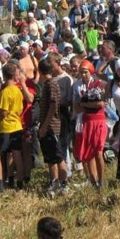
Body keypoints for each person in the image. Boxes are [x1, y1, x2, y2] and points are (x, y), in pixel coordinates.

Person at [73, 60, 107, 188]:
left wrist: (84, 104)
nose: (83, 75)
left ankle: (102, 180)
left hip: (98, 120)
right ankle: (93, 181)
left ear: (91, 71)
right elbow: (76, 107)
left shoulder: (98, 83)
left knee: (98, 151)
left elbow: (100, 104)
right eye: (81, 72)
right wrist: (89, 106)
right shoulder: (77, 85)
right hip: (85, 120)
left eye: (85, 72)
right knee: (88, 152)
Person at [0, 62, 24, 193]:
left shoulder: (5, 92)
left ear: (4, 76)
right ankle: (20, 182)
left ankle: (0, 183)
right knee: (17, 154)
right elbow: (20, 109)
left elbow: (3, 112)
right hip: (17, 125)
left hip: (6, 126)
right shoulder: (18, 90)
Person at [38, 59, 68, 196]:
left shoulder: (52, 85)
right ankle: (54, 181)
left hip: (52, 126)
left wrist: (44, 125)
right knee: (50, 157)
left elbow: (52, 106)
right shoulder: (48, 84)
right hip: (48, 125)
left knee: (58, 156)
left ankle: (63, 183)